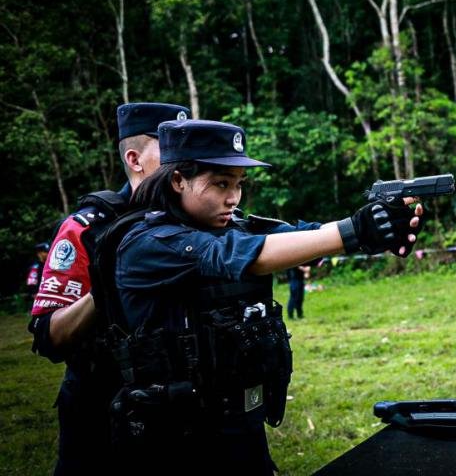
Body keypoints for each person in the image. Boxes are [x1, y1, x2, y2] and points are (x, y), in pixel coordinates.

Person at [111, 119, 424, 474]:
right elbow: (236, 254)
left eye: (239, 184)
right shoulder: (147, 242)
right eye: (221, 183)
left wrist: (379, 229)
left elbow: (306, 237)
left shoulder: (232, 226)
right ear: (178, 180)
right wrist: (355, 231)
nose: (233, 197)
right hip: (173, 440)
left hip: (238, 427)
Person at [28, 102, 191, 475]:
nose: (185, 158)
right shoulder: (88, 228)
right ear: (135, 159)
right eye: (171, 147)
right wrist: (104, 289)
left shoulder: (198, 218)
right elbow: (49, 336)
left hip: (180, 402)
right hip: (102, 404)